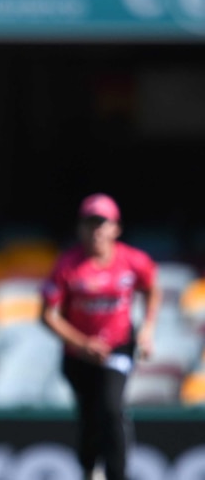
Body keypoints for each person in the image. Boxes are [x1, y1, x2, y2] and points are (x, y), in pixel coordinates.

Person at [40, 192, 161, 480]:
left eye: (102, 223)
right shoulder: (68, 266)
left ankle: (117, 473)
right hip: (78, 358)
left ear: (115, 228)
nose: (96, 231)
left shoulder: (133, 260)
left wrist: (147, 328)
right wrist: (83, 345)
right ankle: (88, 467)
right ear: (81, 228)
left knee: (112, 408)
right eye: (90, 223)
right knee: (90, 417)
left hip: (117, 348)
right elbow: (47, 315)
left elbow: (152, 288)